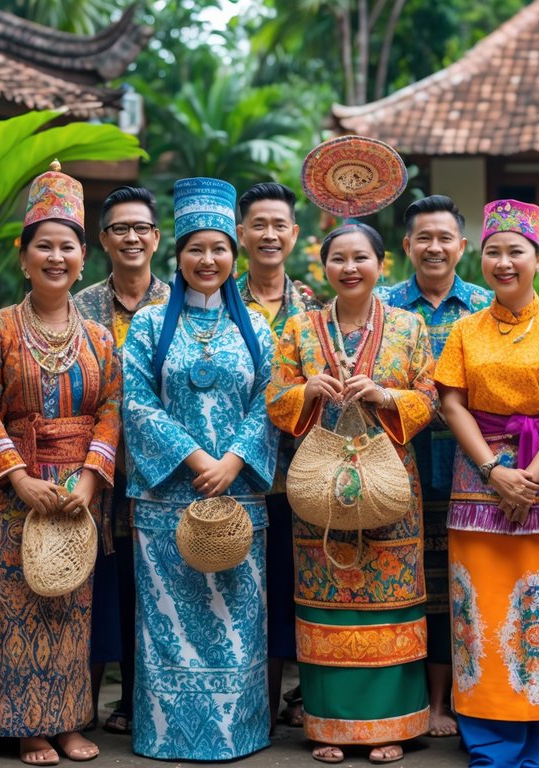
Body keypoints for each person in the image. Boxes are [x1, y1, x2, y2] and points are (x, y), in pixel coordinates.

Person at [0, 162, 122, 765]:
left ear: (84, 257)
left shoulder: (102, 338)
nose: (57, 258)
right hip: (14, 495)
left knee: (72, 610)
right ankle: (27, 725)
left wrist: (87, 477)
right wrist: (19, 478)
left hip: (80, 492)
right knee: (17, 608)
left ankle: (70, 720)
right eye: (44, 246)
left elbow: (111, 409)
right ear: (24, 255)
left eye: (68, 247)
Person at [435, 199, 539, 768]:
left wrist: (530, 474)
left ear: (538, 257)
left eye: (516, 252)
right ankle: (488, 732)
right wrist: (493, 471)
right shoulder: (464, 329)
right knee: (477, 611)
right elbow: (452, 403)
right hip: (478, 480)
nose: (504, 263)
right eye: (493, 253)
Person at [267, 222, 437, 764]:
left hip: (390, 485)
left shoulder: (410, 327)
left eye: (360, 257)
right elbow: (274, 399)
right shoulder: (298, 328)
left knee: (389, 601)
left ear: (382, 264)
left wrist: (388, 396)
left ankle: (391, 723)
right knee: (326, 597)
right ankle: (330, 725)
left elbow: (431, 396)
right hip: (319, 491)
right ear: (324, 267)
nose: (349, 268)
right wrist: (306, 391)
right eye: (338, 258)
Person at [122, 177, 278, 760]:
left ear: (233, 255)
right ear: (177, 255)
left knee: (236, 625)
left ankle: (238, 733)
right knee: (167, 627)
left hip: (239, 500)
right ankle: (166, 734)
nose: (206, 260)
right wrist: (196, 460)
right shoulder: (147, 325)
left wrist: (234, 460)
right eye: (195, 249)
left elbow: (271, 400)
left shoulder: (257, 328)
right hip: (168, 505)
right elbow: (136, 402)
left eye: (217, 248)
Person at [376, 194, 491, 738]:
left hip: (474, 468)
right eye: (424, 237)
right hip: (395, 468)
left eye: (445, 237)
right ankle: (401, 698)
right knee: (404, 581)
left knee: (460, 586)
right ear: (406, 246)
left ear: (463, 246)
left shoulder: (489, 307)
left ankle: (452, 700)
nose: (435, 247)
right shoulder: (382, 308)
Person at [73, 185, 170, 736]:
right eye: (118, 229)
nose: (131, 238)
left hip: (160, 473)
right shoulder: (80, 303)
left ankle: (138, 702)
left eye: (141, 228)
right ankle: (81, 703)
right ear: (103, 240)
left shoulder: (179, 302)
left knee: (149, 588)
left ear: (156, 238)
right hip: (92, 469)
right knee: (97, 584)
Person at [235, 181, 320, 728]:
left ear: (293, 233)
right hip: (236, 475)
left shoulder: (315, 305)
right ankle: (252, 703)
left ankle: (293, 697)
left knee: (297, 584)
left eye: (278, 225)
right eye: (257, 225)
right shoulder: (218, 297)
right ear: (240, 233)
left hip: (299, 474)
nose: (269, 235)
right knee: (246, 591)